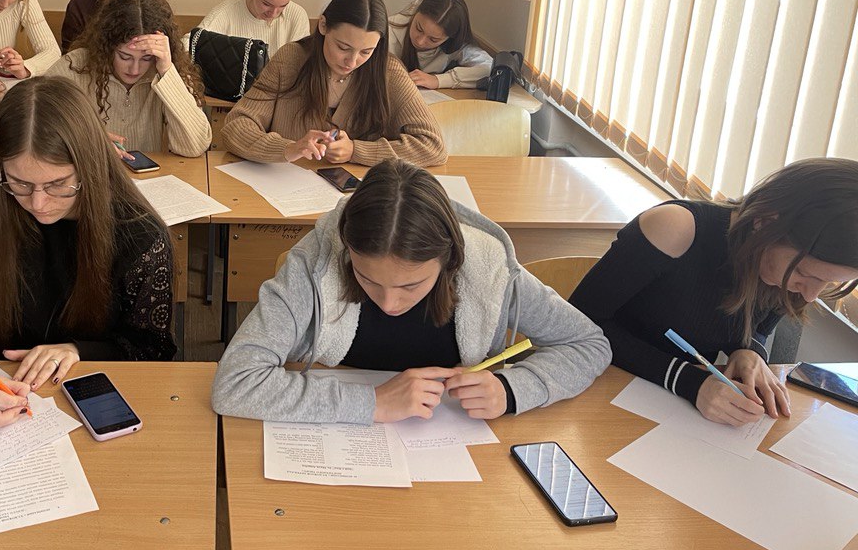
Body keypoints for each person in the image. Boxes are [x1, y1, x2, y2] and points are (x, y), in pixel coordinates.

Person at [211, 159, 610, 422]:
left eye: (411, 284)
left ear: (449, 261)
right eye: (368, 279)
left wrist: (511, 389)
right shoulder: (315, 263)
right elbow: (235, 383)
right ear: (348, 251)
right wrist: (374, 403)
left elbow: (589, 344)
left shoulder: (487, 269)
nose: (389, 303)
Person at [0, 75, 176, 427]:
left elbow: (152, 349)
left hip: (88, 400)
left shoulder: (139, 235)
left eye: (57, 184)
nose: (38, 203)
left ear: (89, 166)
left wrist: (78, 349)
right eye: (19, 183)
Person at [570, 158, 858, 426]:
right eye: (804, 273)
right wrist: (686, 381)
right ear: (765, 222)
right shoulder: (676, 228)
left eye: (829, 284)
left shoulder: (783, 274)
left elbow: (757, 328)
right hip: (596, 390)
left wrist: (749, 351)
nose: (810, 295)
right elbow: (579, 322)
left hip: (672, 413)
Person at [220, 0, 447, 166]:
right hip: (284, 194)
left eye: (366, 52)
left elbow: (433, 146)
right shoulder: (291, 60)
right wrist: (288, 149)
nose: (352, 61)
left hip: (357, 201)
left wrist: (356, 151)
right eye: (343, 47)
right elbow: (236, 127)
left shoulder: (388, 71)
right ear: (323, 25)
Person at [49, 0, 210, 157]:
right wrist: (85, 140)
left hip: (146, 173)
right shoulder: (76, 65)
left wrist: (167, 72)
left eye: (146, 58)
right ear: (107, 47)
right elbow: (37, 126)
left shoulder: (164, 68)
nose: (135, 70)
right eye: (124, 57)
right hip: (90, 169)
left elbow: (195, 146)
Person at [387, 0, 491, 90]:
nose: (420, 42)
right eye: (419, 29)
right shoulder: (389, 31)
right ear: (416, 12)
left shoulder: (455, 44)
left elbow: (489, 69)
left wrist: (438, 80)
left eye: (433, 39)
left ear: (449, 38)